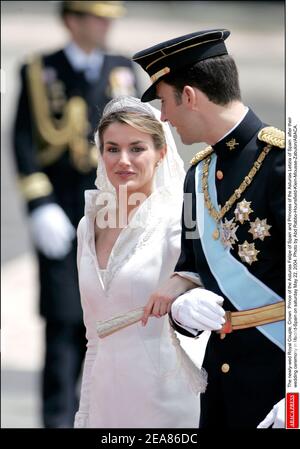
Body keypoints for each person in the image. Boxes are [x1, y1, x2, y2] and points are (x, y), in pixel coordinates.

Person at [132, 29, 285, 429]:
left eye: (164, 102)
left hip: (278, 384)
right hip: (220, 384)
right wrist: (181, 307)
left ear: (189, 96)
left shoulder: (283, 166)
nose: (163, 116)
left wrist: (298, 397)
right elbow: (193, 266)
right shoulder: (195, 177)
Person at [12, 1, 139, 428]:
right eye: (98, 17)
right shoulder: (38, 69)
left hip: (110, 217)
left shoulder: (122, 70)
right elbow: (24, 143)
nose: (107, 26)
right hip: (60, 216)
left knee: (110, 324)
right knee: (64, 325)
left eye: (109, 18)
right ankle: (56, 421)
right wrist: (38, 206)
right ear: (73, 20)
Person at [74, 96, 205, 428]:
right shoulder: (88, 224)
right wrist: (85, 412)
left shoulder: (181, 216)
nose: (124, 161)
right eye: (112, 149)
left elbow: (206, 295)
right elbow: (94, 337)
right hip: (105, 402)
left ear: (161, 153)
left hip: (166, 401)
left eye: (137, 148)